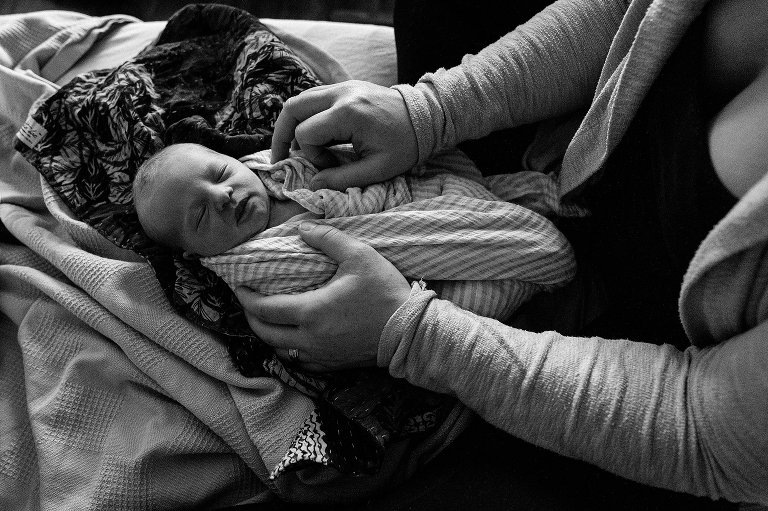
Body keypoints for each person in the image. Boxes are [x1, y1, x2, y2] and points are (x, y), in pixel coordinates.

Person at [232, 0, 768, 507]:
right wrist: (428, 111)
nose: (227, 196)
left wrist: (413, 334)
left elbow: (701, 427)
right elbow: (630, 11)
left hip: (648, 351)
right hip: (571, 143)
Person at [133, 141, 576, 328]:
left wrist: (329, 161)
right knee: (477, 300)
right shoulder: (252, 264)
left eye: (220, 172)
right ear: (194, 254)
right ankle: (525, 250)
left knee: (475, 182)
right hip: (418, 270)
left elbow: (350, 162)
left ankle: (515, 209)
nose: (223, 195)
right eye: (200, 216)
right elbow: (327, 269)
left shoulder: (273, 169)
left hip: (418, 195)